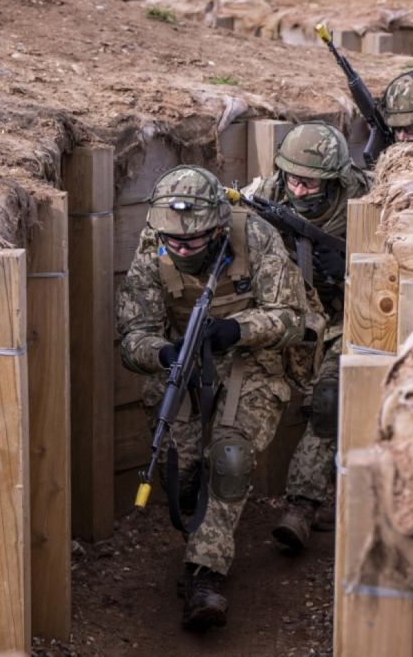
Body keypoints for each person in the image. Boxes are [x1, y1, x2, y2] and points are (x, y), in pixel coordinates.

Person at [116, 165, 306, 630]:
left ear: (219, 227)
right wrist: (163, 352)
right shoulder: (152, 252)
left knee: (229, 459)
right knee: (181, 474)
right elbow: (132, 338)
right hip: (183, 363)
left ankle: (204, 576)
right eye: (174, 241)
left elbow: (291, 318)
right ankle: (202, 521)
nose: (181, 249)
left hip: (251, 359)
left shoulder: (255, 237)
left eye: (193, 240)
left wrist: (237, 330)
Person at [246, 122, 371, 550]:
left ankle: (301, 506)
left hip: (345, 320)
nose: (299, 190)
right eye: (293, 179)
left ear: (333, 180)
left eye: (311, 183)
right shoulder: (266, 195)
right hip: (288, 317)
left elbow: (393, 275)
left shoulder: (367, 200)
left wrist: (351, 268)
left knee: (327, 399)